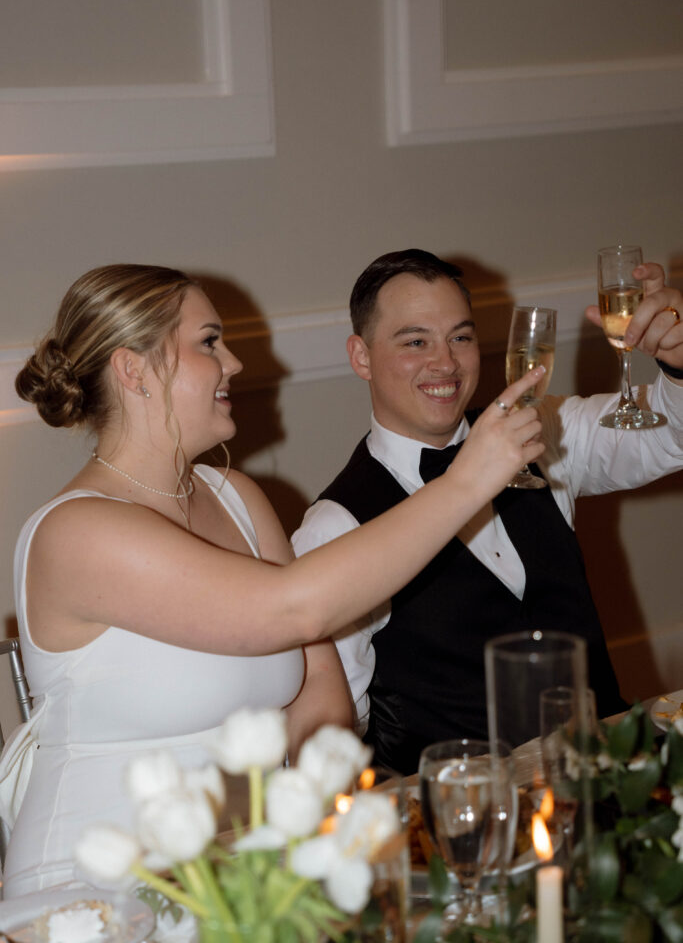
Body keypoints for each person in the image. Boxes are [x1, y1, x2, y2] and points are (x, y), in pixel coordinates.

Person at [0, 263, 545, 898]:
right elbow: (293, 611)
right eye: (208, 342)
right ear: (135, 369)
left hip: (248, 874)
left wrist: (313, 844)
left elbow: (321, 692)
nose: (232, 363)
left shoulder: (236, 496)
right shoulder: (79, 532)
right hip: (101, 889)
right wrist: (467, 483)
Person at [292, 249, 683, 774]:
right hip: (470, 832)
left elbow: (669, 437)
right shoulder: (335, 526)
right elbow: (330, 737)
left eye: (461, 336)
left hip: (608, 788)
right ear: (360, 356)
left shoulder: (535, 429)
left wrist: (677, 363)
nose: (445, 363)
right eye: (415, 342)